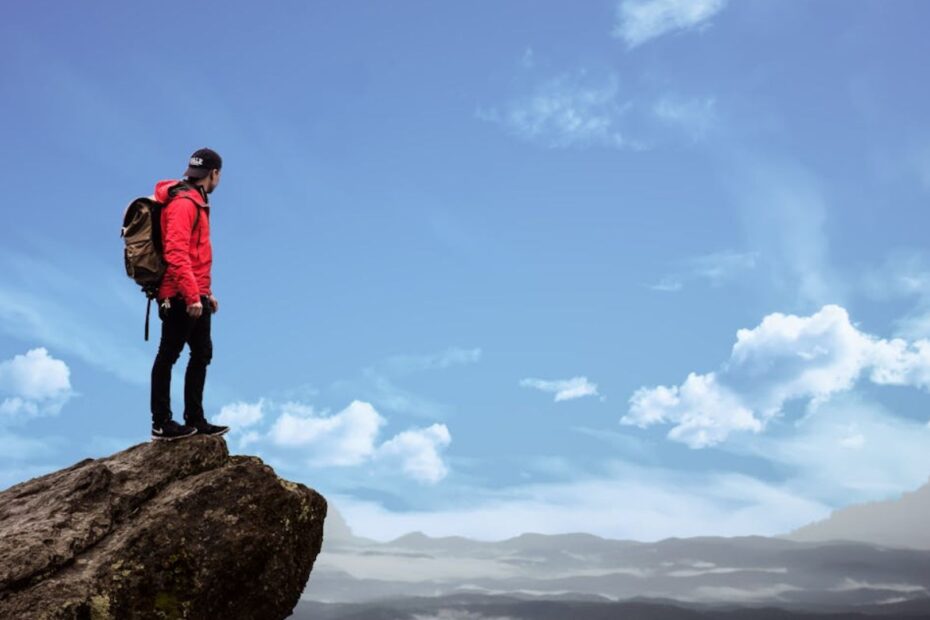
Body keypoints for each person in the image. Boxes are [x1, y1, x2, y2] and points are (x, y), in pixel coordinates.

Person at [150, 148, 230, 441]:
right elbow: (176, 252)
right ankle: (161, 423)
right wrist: (192, 295)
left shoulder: (197, 200)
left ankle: (194, 419)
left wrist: (206, 293)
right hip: (179, 293)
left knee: (202, 353)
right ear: (215, 174)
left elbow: (196, 255)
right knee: (168, 355)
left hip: (195, 292)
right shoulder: (184, 203)